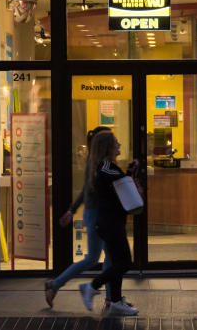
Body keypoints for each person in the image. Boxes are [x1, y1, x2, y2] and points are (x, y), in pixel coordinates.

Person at [44, 126, 113, 307]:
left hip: (96, 214)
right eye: (113, 140)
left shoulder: (98, 162)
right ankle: (54, 284)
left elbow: (85, 191)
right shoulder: (98, 164)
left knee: (107, 256)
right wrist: (71, 210)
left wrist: (71, 210)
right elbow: (87, 191)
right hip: (97, 215)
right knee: (95, 258)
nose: (116, 143)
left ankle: (111, 297)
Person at [79, 130, 139, 316]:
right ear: (108, 147)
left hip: (111, 223)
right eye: (116, 142)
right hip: (110, 224)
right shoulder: (106, 168)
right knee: (125, 263)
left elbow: (120, 182)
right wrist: (130, 176)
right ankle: (92, 286)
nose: (119, 145)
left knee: (117, 262)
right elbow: (123, 184)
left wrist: (129, 172)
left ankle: (115, 301)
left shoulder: (107, 167)